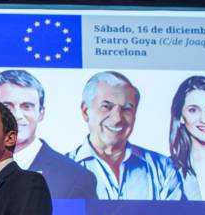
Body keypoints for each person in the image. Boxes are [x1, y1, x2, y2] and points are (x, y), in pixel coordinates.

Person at [0, 69, 97, 199]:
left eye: (27, 106)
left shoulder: (75, 176)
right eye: (6, 106)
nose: (17, 115)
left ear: (41, 113)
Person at [67, 71, 182, 200]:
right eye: (106, 106)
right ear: (85, 111)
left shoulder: (163, 169)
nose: (117, 118)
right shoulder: (61, 171)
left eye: (127, 108)